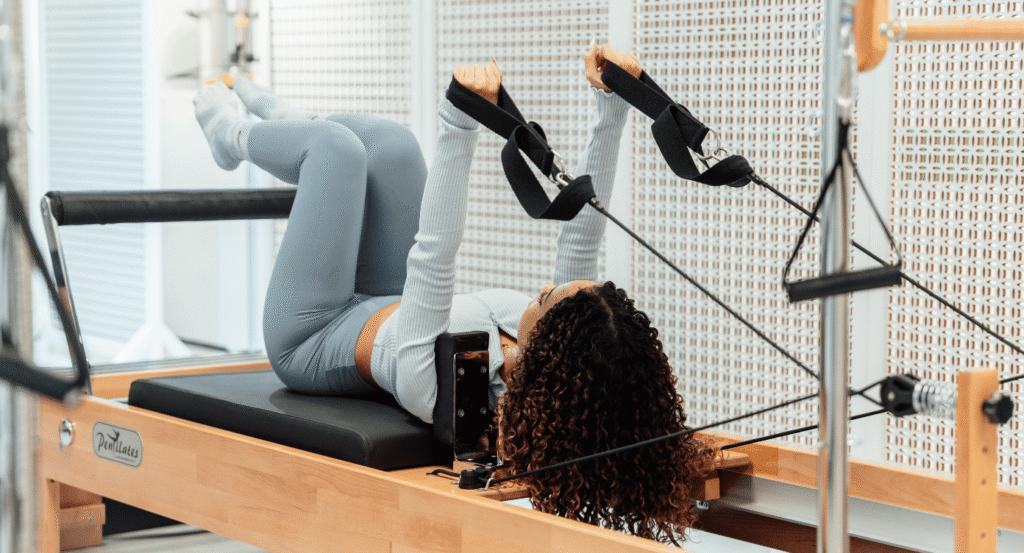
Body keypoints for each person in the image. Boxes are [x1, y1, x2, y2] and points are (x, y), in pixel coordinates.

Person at [193, 44, 715, 543]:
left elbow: (434, 252)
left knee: (334, 150)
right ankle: (278, 112)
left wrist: (459, 123)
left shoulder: (446, 386)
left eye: (546, 299)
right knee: (393, 145)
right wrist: (611, 106)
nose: (543, 288)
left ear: (546, 350)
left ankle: (229, 132)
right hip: (386, 298)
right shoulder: (550, 340)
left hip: (311, 332)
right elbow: (582, 232)